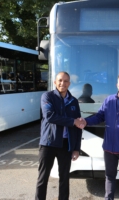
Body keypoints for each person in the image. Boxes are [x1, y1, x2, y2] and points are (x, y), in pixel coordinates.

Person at [35, 71, 84, 200]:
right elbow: (50, 116)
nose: (63, 83)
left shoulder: (73, 101)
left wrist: (76, 148)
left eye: (66, 81)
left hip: (65, 145)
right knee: (43, 177)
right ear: (55, 82)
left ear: (69, 83)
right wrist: (72, 121)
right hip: (48, 143)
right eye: (60, 80)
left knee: (64, 178)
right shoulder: (47, 96)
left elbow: (78, 126)